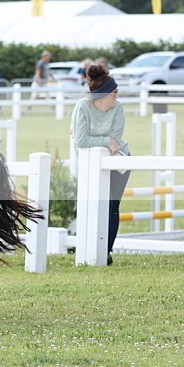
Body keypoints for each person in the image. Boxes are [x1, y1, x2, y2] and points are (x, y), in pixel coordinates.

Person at [71, 63, 130, 266]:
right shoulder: (82, 107)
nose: (117, 96)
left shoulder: (118, 108)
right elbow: (81, 141)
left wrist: (102, 140)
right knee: (92, 203)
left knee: (112, 205)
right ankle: (87, 246)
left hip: (119, 161)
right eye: (115, 93)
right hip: (90, 164)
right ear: (103, 95)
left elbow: (116, 140)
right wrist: (105, 140)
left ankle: (106, 251)